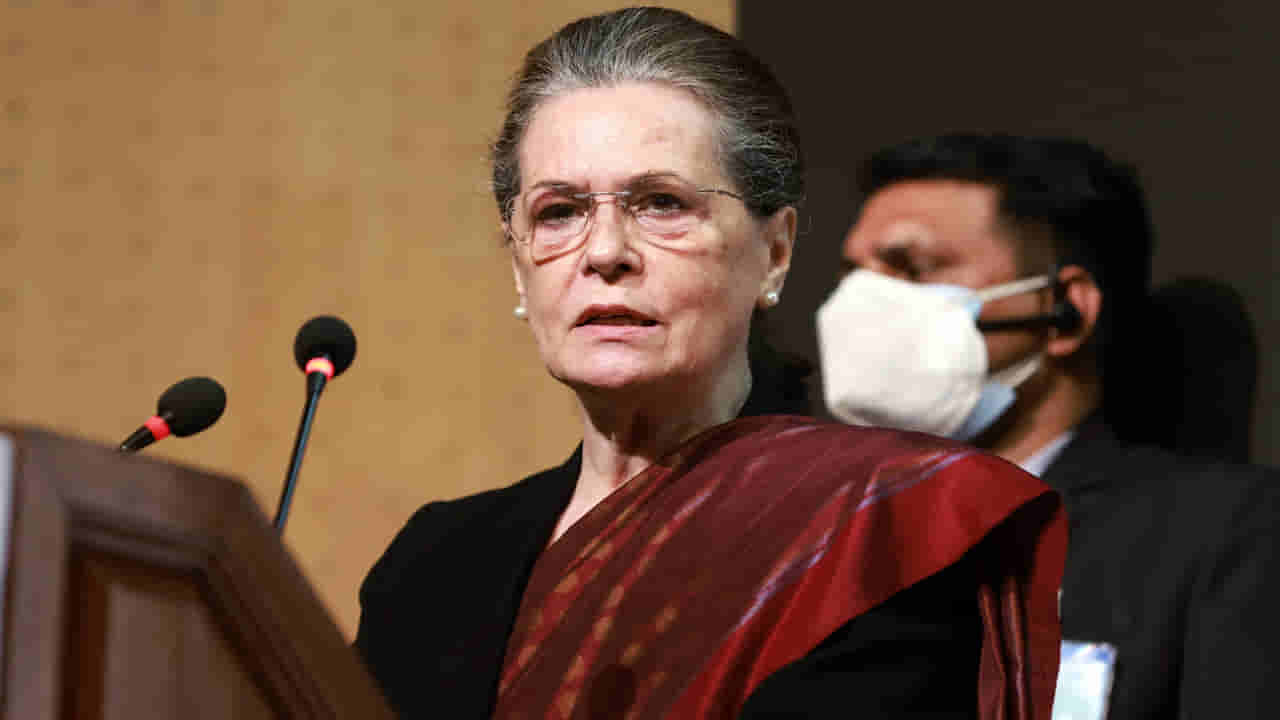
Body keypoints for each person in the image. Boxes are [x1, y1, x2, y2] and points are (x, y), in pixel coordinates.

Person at [356, 12, 1066, 719]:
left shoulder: (874, 534)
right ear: (519, 267)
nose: (604, 253)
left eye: (661, 204)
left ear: (775, 253)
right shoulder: (435, 563)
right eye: (559, 212)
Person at [818, 132, 1280, 719]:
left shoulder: (1224, 533)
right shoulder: (817, 541)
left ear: (1065, 312)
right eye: (855, 274)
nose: (861, 305)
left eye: (911, 269)